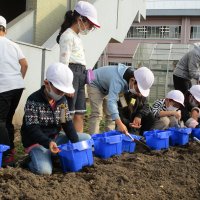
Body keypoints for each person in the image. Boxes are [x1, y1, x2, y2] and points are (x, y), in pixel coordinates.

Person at [20, 62, 91, 175]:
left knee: (86, 138)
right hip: (37, 142)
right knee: (44, 171)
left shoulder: (61, 100)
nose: (61, 94)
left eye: (63, 91)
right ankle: (29, 161)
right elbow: (33, 129)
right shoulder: (33, 100)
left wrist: (75, 143)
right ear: (47, 83)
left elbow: (66, 122)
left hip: (55, 139)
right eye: (59, 90)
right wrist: (48, 143)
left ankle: (52, 155)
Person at [56, 1, 100, 133]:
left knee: (79, 112)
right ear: (79, 18)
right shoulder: (67, 35)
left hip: (80, 74)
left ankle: (77, 143)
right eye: (90, 25)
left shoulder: (77, 37)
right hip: (71, 73)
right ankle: (61, 141)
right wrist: (66, 84)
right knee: (66, 112)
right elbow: (63, 62)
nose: (90, 28)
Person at [87, 64, 155, 134]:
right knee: (97, 113)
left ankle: (110, 139)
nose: (139, 93)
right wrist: (120, 124)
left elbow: (122, 105)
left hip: (107, 87)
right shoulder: (118, 82)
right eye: (138, 90)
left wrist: (132, 119)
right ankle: (93, 140)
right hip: (94, 82)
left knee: (111, 114)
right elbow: (112, 102)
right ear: (132, 80)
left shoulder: (133, 78)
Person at [0, 16, 28, 167]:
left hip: (3, 87)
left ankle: (5, 155)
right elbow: (25, 64)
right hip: (17, 86)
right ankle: (10, 150)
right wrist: (19, 79)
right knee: (8, 119)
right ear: (5, 29)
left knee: (0, 122)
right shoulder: (13, 44)